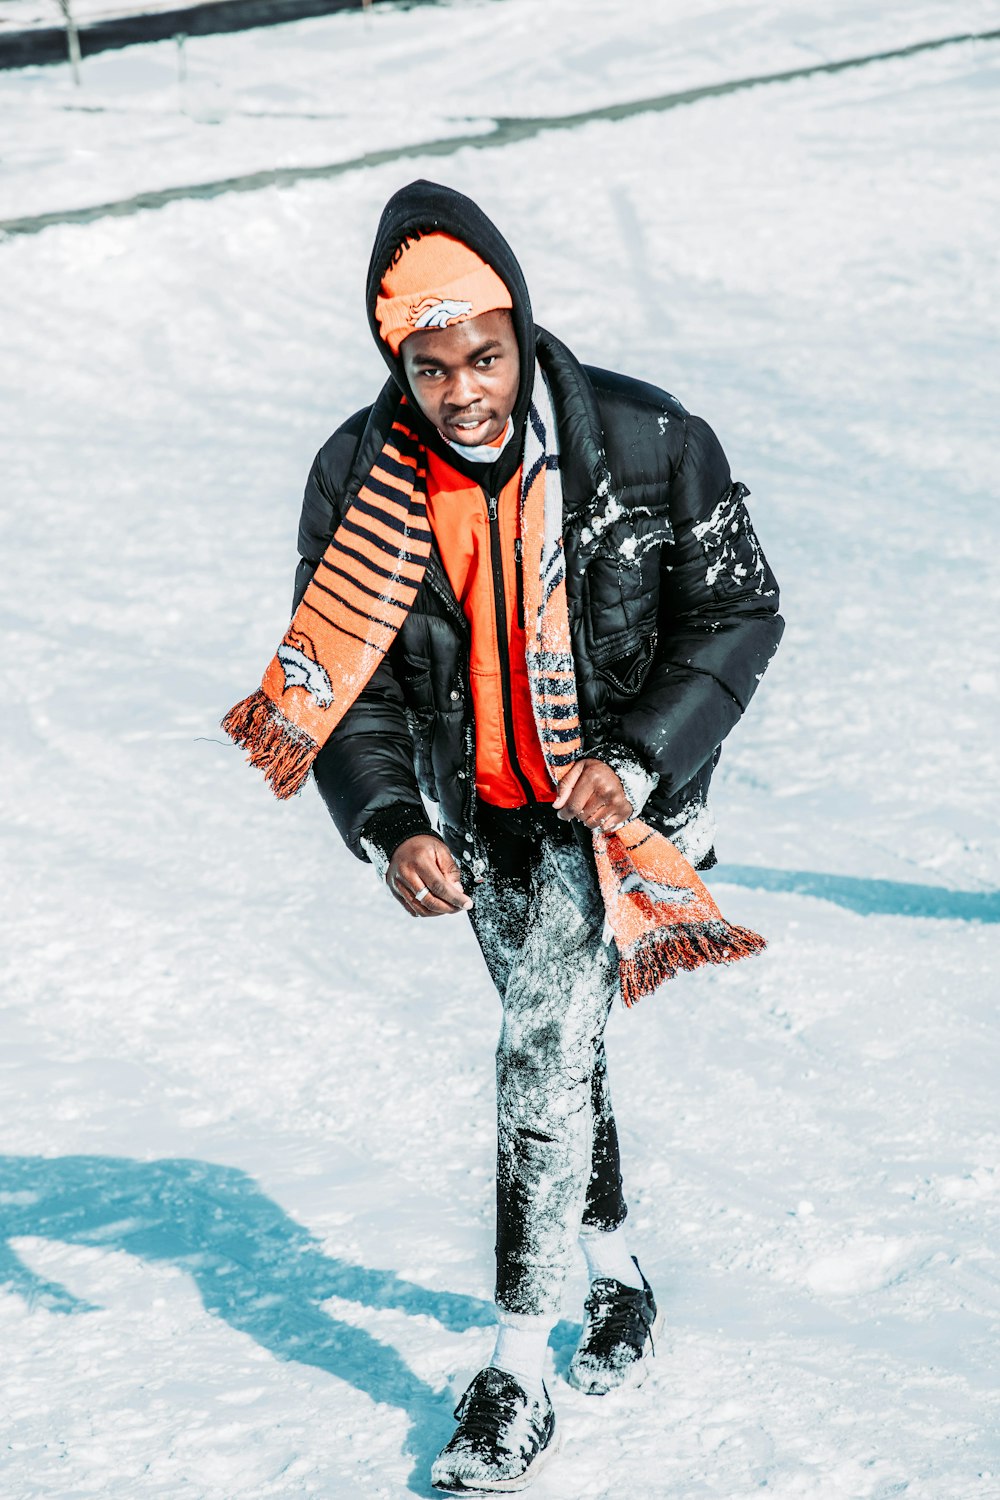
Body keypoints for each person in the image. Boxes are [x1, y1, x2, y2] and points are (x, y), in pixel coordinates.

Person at [224, 179, 783, 1494]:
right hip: (478, 819)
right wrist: (387, 819)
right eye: (427, 366)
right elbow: (337, 674)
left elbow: (741, 610)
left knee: (538, 1045)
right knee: (562, 1057)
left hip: (619, 815)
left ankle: (516, 1371)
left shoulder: (645, 442)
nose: (462, 389)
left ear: (522, 331)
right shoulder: (358, 479)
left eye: (484, 354)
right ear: (394, 366)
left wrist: (643, 752)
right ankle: (618, 1270)